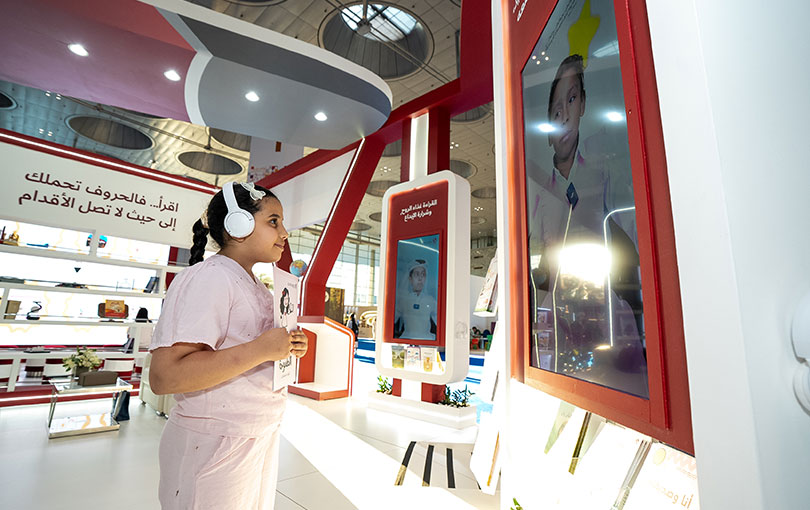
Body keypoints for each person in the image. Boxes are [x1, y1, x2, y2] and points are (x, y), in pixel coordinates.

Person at [149, 181, 308, 510]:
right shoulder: (209, 278)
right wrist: (261, 349)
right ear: (239, 225)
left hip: (256, 433)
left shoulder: (256, 286)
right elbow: (166, 376)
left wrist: (286, 346)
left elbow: (250, 350)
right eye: (274, 221)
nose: (284, 233)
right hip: (214, 442)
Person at [393, 259, 437, 340]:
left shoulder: (430, 300)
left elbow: (441, 323)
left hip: (427, 341)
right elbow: (391, 322)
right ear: (410, 278)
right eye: (417, 274)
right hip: (406, 339)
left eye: (423, 275)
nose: (420, 278)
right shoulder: (403, 300)